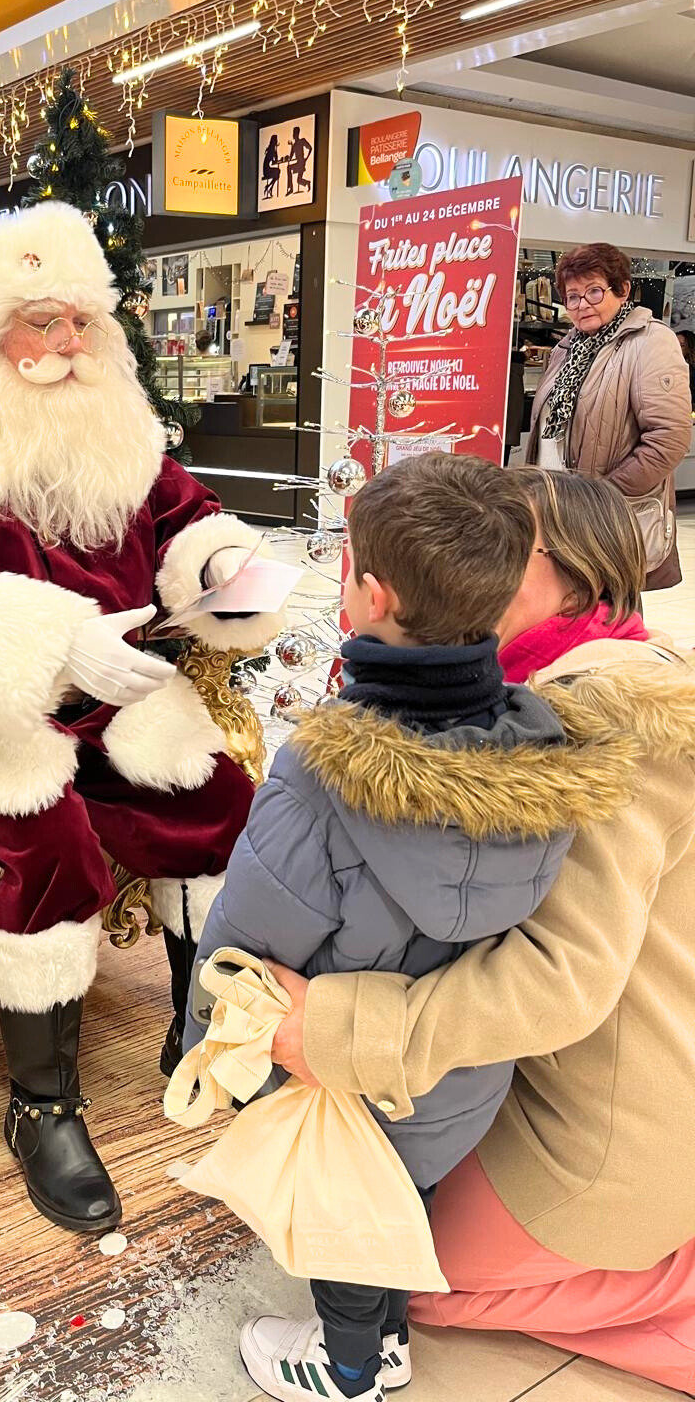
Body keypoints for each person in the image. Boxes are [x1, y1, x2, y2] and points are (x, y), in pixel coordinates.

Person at [0, 202, 290, 1236]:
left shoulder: (118, 432)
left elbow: (188, 517)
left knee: (226, 809)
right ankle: (41, 1105)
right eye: (35, 325)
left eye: (78, 323)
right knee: (55, 856)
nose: (61, 348)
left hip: (126, 701)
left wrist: (225, 570)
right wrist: (50, 642)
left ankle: (201, 1028)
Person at [185, 453, 625, 1402]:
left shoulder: (320, 780)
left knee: (347, 1228)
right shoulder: (545, 751)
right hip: (458, 1082)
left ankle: (351, 1366)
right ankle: (384, 1337)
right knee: (403, 1198)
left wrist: (202, 1049)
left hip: (341, 1081)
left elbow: (249, 944)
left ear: (369, 596)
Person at [266, 468, 695, 1395]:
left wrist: (337, 1031)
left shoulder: (592, 718)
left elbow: (559, 979)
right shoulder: (572, 680)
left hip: (605, 1146)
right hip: (612, 1093)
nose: (475, 560)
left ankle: (668, 1294)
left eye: (507, 544)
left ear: (575, 581)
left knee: (399, 1271)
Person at [523, 242, 690, 589]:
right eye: (572, 296)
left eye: (594, 292)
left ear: (622, 289)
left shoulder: (650, 341)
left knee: (608, 613)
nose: (582, 304)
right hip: (555, 507)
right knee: (562, 609)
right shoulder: (566, 348)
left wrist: (603, 497)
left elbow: (668, 439)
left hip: (606, 516)